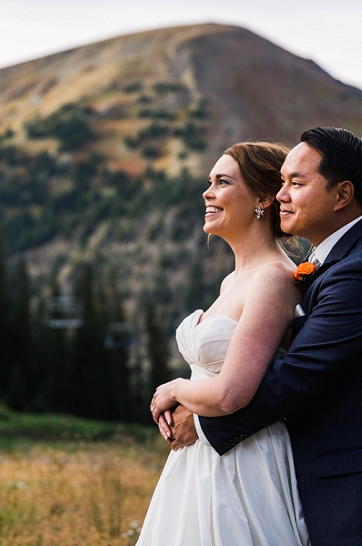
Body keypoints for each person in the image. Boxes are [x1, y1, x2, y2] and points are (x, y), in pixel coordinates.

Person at [158, 127, 362, 546]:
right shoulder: (332, 260)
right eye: (281, 182)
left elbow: (294, 376)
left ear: (342, 194)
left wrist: (199, 420)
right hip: (334, 481)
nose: (281, 195)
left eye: (296, 183)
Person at [136, 141, 312, 545]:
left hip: (244, 462)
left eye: (222, 182)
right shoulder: (232, 282)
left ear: (263, 199)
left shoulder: (274, 279)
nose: (207, 192)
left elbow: (234, 392)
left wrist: (175, 389)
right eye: (209, 181)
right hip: (198, 461)